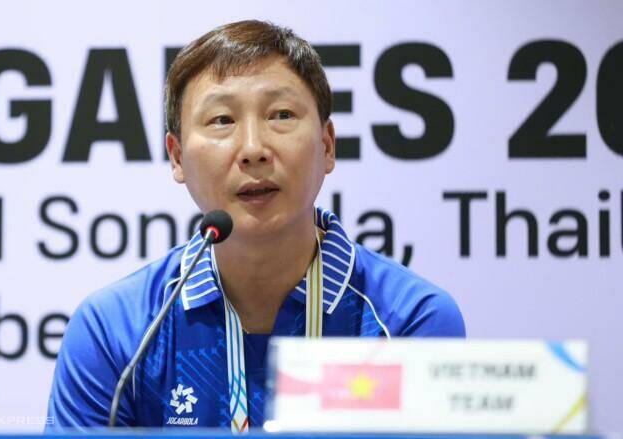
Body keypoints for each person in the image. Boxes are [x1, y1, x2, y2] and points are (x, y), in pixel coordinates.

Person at [45, 20, 465, 432]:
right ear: (177, 157)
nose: (253, 149)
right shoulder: (116, 331)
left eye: (281, 115)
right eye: (222, 120)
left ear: (327, 145)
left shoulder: (409, 322)